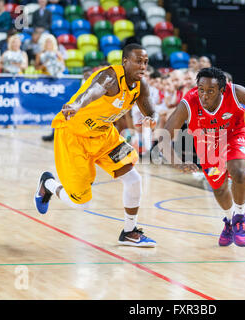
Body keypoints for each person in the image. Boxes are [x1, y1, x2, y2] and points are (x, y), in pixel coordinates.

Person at [34, 44, 157, 247]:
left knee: (134, 179)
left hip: (103, 136)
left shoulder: (140, 86)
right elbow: (92, 91)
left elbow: (150, 110)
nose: (143, 66)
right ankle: (48, 184)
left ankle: (129, 232)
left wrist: (151, 119)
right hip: (74, 136)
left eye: (145, 62)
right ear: (125, 62)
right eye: (138, 61)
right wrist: (76, 105)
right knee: (81, 203)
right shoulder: (110, 77)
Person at [158, 67, 245, 247]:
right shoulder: (189, 103)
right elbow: (164, 136)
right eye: (201, 89)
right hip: (207, 141)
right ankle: (229, 221)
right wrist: (176, 161)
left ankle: (240, 217)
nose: (204, 95)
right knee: (218, 187)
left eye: (210, 91)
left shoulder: (236, 91)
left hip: (235, 133)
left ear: (222, 90)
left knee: (238, 172)